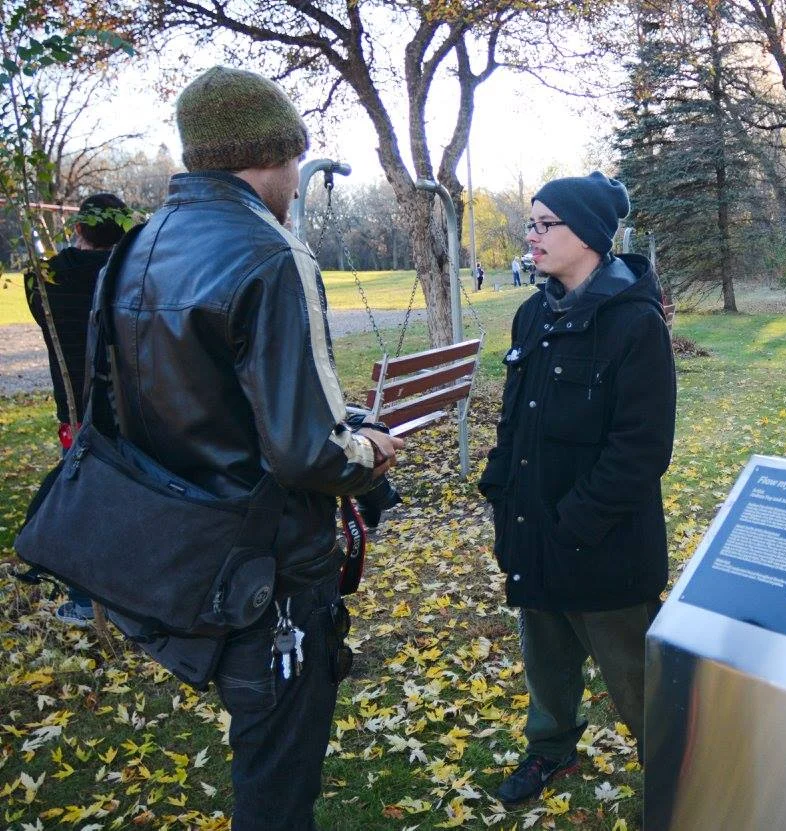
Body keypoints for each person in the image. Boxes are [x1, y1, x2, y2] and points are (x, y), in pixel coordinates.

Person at [103, 66, 403, 829]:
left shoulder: (138, 245)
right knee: (276, 779)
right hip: (270, 571)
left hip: (178, 553)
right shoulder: (269, 251)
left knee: (261, 750)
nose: (298, 181)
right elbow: (306, 453)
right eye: (296, 160)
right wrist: (369, 449)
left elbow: (154, 404)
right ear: (272, 153)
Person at [477, 172, 676, 805]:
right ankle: (551, 748)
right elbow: (515, 420)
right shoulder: (532, 314)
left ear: (586, 234)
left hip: (604, 548)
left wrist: (574, 524)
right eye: (530, 224)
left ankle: (678, 781)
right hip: (533, 532)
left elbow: (642, 448)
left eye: (545, 225)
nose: (530, 237)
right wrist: (501, 491)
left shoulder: (635, 323)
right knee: (547, 663)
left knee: (638, 683)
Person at [24, 192, 129, 627]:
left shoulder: (46, 279)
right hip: (128, 412)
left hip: (76, 413)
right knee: (133, 503)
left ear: (80, 229)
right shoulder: (133, 273)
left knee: (82, 506)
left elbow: (41, 299)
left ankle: (88, 602)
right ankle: (115, 601)